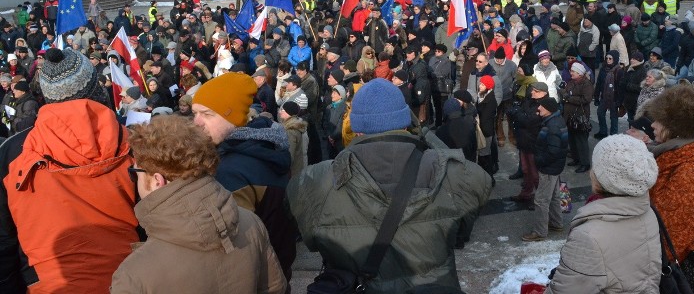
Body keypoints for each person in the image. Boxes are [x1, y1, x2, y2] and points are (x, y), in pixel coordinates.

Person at [288, 78, 491, 292]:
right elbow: (477, 191)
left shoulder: (315, 180)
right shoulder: (453, 172)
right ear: (406, 123)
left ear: (355, 128)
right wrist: (425, 133)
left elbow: (309, 238)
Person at [0, 48, 139, 293]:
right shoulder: (133, 142)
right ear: (95, 89)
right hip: (128, 278)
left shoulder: (11, 152)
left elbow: (4, 242)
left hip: (47, 283)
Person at [111, 115, 287, 293]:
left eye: (136, 173)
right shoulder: (251, 222)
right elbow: (275, 288)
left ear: (157, 180)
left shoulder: (133, 275)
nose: (134, 180)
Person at [191, 72, 298, 290]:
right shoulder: (264, 148)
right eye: (195, 113)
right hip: (275, 276)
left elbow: (233, 250)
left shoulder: (231, 169)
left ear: (234, 117)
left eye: (207, 114)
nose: (196, 122)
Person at [545, 134, 661, 293]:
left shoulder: (589, 237)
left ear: (604, 179)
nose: (591, 172)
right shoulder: (647, 211)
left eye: (596, 167)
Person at [647, 84, 694, 263]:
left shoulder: (687, 172)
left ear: (676, 128)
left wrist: (652, 264)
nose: (653, 125)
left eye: (659, 120)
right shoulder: (673, 156)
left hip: (671, 266)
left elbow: (678, 236)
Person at [522, 91, 569, 242]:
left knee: (541, 200)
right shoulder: (555, 121)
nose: (538, 109)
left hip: (549, 168)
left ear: (548, 109)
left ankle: (540, 232)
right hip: (555, 167)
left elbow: (552, 151)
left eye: (541, 107)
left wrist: (539, 161)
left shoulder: (552, 126)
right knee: (555, 196)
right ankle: (556, 223)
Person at [563, 62, 594, 173]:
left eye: (573, 71)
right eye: (571, 71)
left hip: (580, 117)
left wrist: (569, 98)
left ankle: (585, 163)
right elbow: (565, 92)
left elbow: (586, 99)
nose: (571, 73)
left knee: (581, 141)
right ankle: (576, 158)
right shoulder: (571, 82)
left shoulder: (586, 84)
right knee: (572, 139)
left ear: (580, 73)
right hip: (569, 116)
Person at [593, 51, 623, 139]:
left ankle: (614, 135)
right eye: (607, 58)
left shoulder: (619, 71)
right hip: (604, 97)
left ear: (615, 59)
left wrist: (619, 101)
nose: (608, 60)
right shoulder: (603, 69)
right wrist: (596, 96)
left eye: (610, 58)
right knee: (600, 113)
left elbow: (621, 88)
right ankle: (603, 131)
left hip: (614, 98)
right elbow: (598, 83)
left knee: (613, 117)